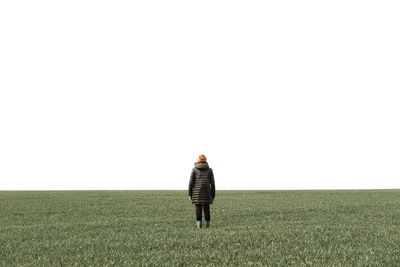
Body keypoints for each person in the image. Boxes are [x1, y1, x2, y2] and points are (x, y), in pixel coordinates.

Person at [188, 154, 215, 228]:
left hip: (197, 194)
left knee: (198, 210)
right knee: (207, 209)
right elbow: (212, 184)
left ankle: (199, 226)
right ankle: (207, 226)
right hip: (207, 193)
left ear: (198, 161)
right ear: (205, 161)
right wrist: (213, 195)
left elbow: (191, 183)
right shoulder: (210, 170)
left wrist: (190, 194)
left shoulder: (194, 170)